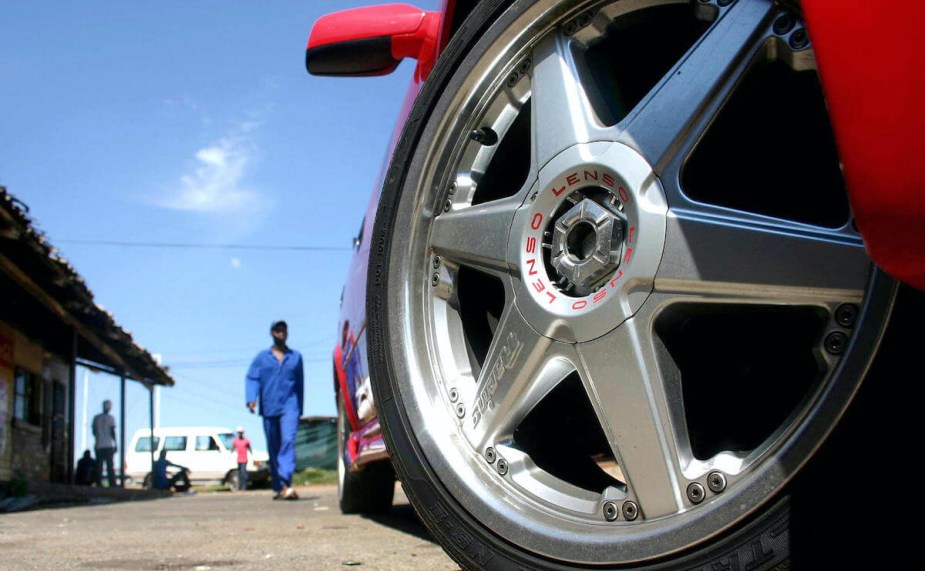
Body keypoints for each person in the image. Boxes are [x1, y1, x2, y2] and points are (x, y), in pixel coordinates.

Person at [246, 320, 304, 500]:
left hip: (290, 406)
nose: (281, 333)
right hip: (269, 406)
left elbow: (300, 384)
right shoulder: (261, 358)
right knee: (274, 447)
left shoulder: (295, 357)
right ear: (271, 333)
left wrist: (299, 409)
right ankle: (279, 487)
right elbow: (252, 378)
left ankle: (286, 481)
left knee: (288, 440)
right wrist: (251, 398)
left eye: (283, 330)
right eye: (277, 330)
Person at [92, 400, 117, 487]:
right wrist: (115, 444)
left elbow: (94, 431)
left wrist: (98, 438)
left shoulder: (96, 418)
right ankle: (112, 483)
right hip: (108, 445)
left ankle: (98, 482)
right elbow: (112, 432)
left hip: (99, 444)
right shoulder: (111, 418)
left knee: (99, 465)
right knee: (110, 465)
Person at [231, 426, 252, 491]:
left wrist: (252, 456)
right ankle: (240, 486)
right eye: (239, 433)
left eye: (241, 432)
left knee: (243, 473)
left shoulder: (246, 441)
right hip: (238, 459)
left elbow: (249, 449)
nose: (240, 434)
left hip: (244, 459)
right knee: (239, 473)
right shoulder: (235, 441)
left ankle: (244, 486)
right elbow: (233, 448)